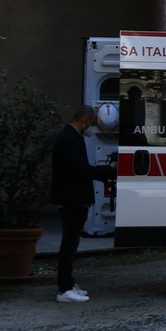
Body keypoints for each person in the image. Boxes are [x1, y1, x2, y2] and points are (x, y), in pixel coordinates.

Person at [51, 106, 114, 304]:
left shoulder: (71, 136)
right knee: (69, 244)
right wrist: (110, 170)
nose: (93, 128)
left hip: (74, 198)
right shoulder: (69, 140)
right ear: (85, 120)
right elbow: (83, 170)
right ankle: (65, 288)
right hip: (72, 199)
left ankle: (68, 283)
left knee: (71, 243)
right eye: (93, 123)